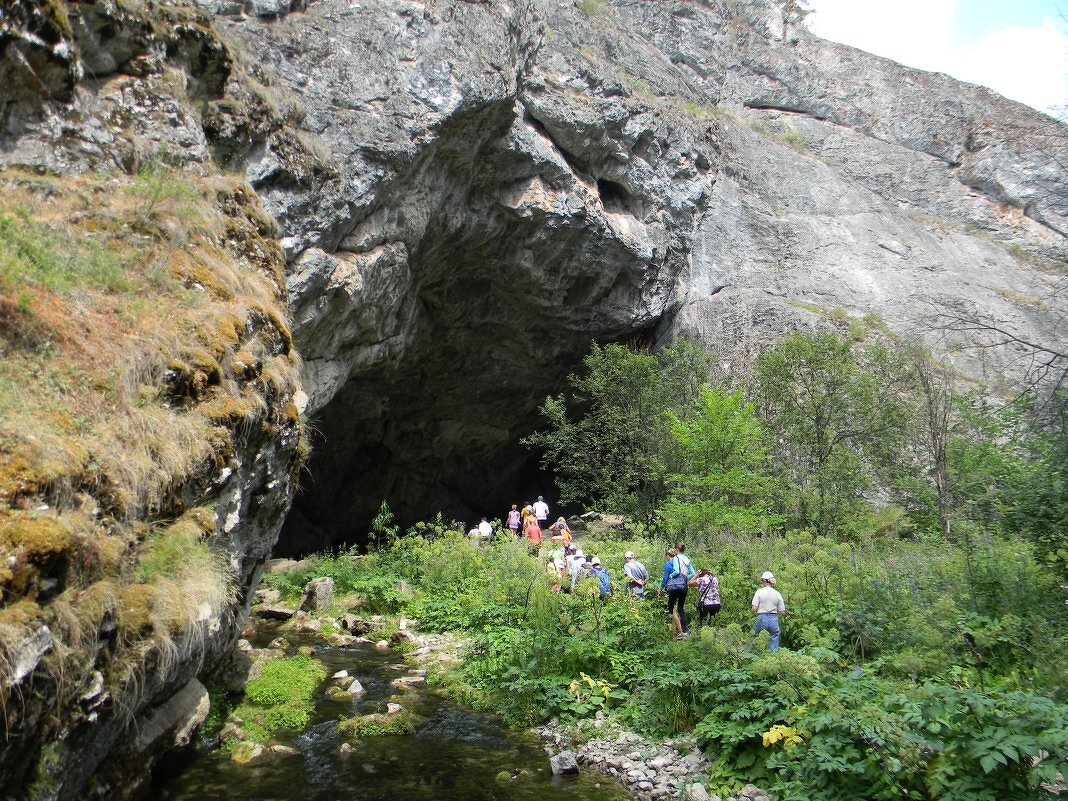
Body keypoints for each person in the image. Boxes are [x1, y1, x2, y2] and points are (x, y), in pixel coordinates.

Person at [660, 545, 695, 639]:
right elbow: (693, 573)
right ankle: (684, 631)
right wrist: (684, 579)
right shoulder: (687, 558)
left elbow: (676, 571)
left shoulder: (676, 558)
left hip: (675, 586)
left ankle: (677, 632)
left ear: (676, 550)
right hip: (684, 586)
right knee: (680, 608)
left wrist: (671, 577)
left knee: (671, 608)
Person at [751, 571, 786, 651]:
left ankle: (755, 657)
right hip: (773, 619)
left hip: (761, 618)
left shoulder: (759, 592)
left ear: (764, 581)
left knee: (755, 637)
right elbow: (782, 612)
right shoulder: (777, 594)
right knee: (773, 639)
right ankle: (772, 659)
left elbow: (754, 609)